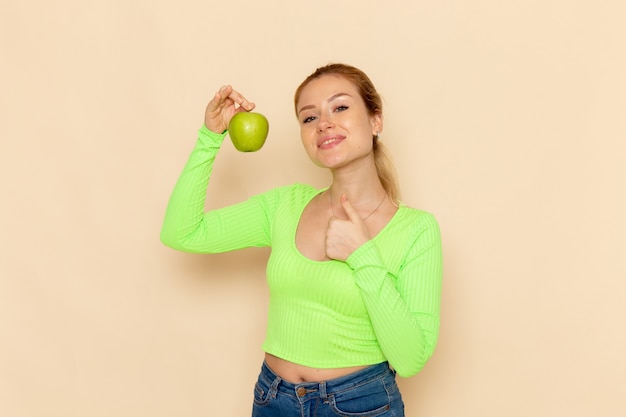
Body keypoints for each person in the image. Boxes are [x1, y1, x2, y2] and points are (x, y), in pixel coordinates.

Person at [160, 63, 442, 417]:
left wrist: (362, 256)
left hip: (361, 404)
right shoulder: (284, 205)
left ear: (375, 121)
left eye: (340, 107)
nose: (323, 123)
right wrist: (209, 137)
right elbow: (181, 231)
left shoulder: (416, 230)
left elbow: (410, 359)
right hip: (273, 399)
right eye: (309, 118)